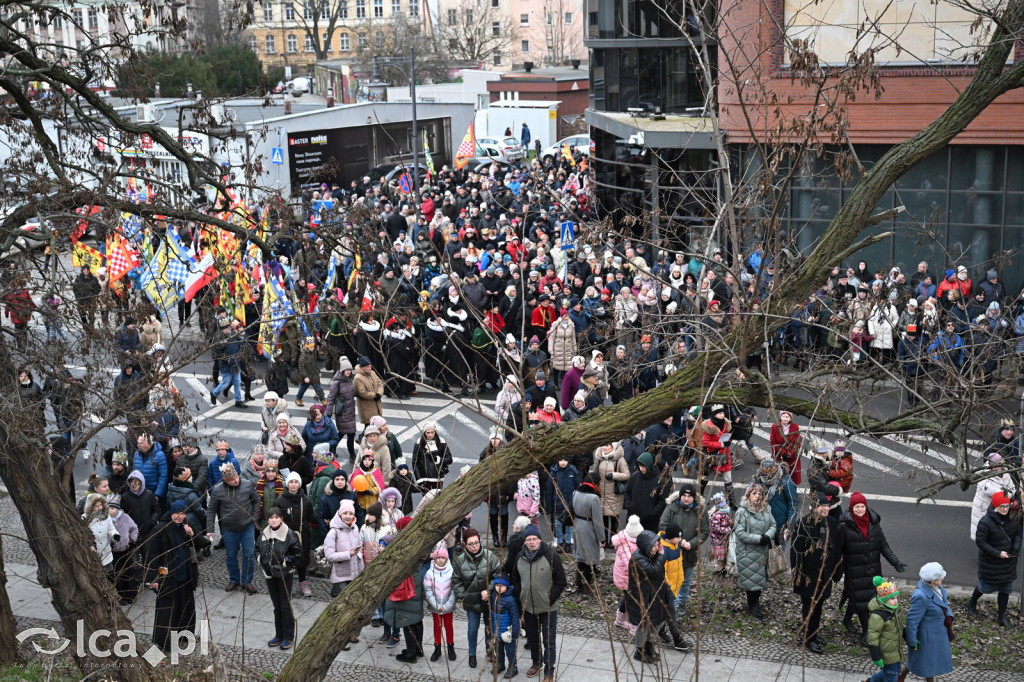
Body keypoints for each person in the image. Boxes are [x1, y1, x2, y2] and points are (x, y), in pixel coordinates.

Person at [838, 491, 907, 645]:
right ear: (851, 508)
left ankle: (847, 618)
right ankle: (866, 632)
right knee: (862, 602)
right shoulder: (844, 526)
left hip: (873, 570)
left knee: (865, 598)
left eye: (862, 506)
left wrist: (896, 563)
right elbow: (839, 550)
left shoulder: (874, 523)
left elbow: (883, 545)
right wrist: (837, 571)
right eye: (857, 507)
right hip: (855, 570)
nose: (860, 509)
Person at [150, 500, 210, 653]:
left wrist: (192, 534)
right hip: (167, 577)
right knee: (167, 611)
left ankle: (185, 636)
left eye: (182, 513)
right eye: (176, 513)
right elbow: (152, 555)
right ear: (170, 513)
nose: (179, 516)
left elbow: (203, 544)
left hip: (185, 576)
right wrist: (154, 579)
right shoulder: (160, 529)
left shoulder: (187, 526)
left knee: (186, 609)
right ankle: (164, 642)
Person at [510, 524, 566, 682]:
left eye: (534, 538)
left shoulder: (551, 556)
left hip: (548, 608)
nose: (532, 542)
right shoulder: (519, 557)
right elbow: (516, 579)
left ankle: (549, 671)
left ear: (540, 540)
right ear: (525, 542)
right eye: (529, 539)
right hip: (528, 607)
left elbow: (561, 581)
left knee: (549, 641)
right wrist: (521, 598)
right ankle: (537, 662)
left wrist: (549, 598)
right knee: (533, 638)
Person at [790, 492, 840, 654]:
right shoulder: (804, 524)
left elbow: (836, 549)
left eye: (827, 505)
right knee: (809, 608)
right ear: (814, 507)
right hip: (808, 576)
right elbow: (796, 551)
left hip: (824, 575)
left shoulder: (831, 522)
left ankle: (814, 633)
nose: (826, 508)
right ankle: (808, 638)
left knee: (818, 606)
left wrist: (836, 572)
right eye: (822, 505)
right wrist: (797, 574)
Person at [969, 490, 1021, 626]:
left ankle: (1001, 616)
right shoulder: (985, 522)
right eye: (1001, 507)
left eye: (1007, 506)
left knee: (1005, 590)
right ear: (995, 506)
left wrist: (1015, 549)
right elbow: (981, 543)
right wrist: (998, 553)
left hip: (1008, 563)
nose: (1005, 509)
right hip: (991, 563)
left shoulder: (1014, 518)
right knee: (983, 587)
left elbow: (1018, 535)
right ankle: (972, 602)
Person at [208, 463, 260, 594]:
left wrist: (253, 517)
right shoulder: (218, 490)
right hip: (228, 529)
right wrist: (210, 529)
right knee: (231, 556)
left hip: (247, 527)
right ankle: (234, 579)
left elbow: (256, 500)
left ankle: (247, 581)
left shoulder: (247, 484)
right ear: (226, 481)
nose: (236, 480)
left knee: (249, 555)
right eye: (232, 479)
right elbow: (211, 510)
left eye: (236, 477)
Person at [658, 480, 708, 615]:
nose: (686, 499)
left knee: (685, 581)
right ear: (680, 496)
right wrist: (678, 542)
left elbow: (704, 531)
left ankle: (682, 603)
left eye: (689, 496)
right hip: (672, 553)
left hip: (689, 553)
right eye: (684, 496)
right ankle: (671, 604)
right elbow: (663, 526)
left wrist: (690, 544)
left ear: (694, 497)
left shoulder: (700, 512)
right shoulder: (671, 509)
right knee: (671, 580)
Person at [452, 527, 500, 668]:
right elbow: (456, 581)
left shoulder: (489, 556)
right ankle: (472, 654)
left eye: (476, 542)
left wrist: (490, 590)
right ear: (465, 545)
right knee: (473, 628)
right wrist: (464, 596)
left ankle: (490, 652)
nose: (474, 546)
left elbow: (498, 576)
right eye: (471, 543)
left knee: (489, 627)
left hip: (488, 600)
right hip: (471, 601)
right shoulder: (460, 560)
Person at [256, 507, 303, 649]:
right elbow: (256, 549)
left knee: (285, 605)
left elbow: (299, 554)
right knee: (277, 606)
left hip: (284, 574)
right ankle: (279, 635)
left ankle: (288, 637)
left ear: (281, 518)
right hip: (269, 574)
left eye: (276, 517)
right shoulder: (263, 534)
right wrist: (261, 560)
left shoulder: (290, 535)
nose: (273, 520)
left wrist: (284, 562)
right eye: (271, 517)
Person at [626, 530, 675, 663]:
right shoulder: (638, 558)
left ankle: (650, 645)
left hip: (656, 595)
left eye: (657, 544)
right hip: (643, 598)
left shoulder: (652, 554)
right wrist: (661, 555)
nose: (657, 548)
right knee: (644, 625)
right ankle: (640, 651)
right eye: (654, 546)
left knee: (658, 622)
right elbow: (653, 571)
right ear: (646, 547)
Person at [904, 562, 954, 682]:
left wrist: (950, 617)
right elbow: (912, 621)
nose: (943, 578)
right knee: (929, 665)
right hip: (928, 638)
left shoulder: (937, 588)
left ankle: (901, 675)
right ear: (932, 581)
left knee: (919, 660)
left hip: (938, 634)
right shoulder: (920, 596)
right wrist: (912, 641)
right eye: (940, 577)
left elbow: (944, 604)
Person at [385, 517, 426, 663]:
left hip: (406, 586)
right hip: (416, 584)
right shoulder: (419, 540)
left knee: (407, 620)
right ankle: (419, 649)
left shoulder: (403, 544)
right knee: (416, 618)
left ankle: (410, 654)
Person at [733, 483, 776, 619]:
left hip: (762, 551)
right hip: (748, 552)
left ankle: (755, 602)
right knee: (751, 581)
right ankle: (753, 605)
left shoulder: (766, 509)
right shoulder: (742, 511)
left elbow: (773, 525)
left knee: (759, 580)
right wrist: (759, 539)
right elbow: (740, 533)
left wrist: (768, 535)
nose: (758, 496)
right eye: (754, 494)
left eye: (760, 494)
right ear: (748, 496)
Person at [277, 471, 315, 597]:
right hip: (286, 535)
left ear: (299, 484)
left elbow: (311, 516)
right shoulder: (280, 500)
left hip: (302, 535)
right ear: (287, 484)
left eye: (296, 482)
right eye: (291, 482)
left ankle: (302, 582)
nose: (293, 485)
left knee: (302, 559)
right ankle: (289, 584)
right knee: (287, 559)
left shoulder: (305, 499)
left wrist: (323, 520)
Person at [862, 576, 906, 682]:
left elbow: (900, 628)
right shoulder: (878, 616)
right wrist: (876, 657)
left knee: (888, 672)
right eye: (892, 598)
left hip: (894, 652)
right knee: (892, 674)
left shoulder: (893, 611)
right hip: (886, 655)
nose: (896, 601)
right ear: (884, 600)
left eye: (896, 598)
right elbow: (872, 637)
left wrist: (910, 639)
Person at [324, 499, 364, 598]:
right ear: (340, 514)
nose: (348, 516)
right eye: (345, 513)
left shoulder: (355, 528)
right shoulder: (333, 532)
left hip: (355, 573)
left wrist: (359, 552)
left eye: (351, 513)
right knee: (342, 601)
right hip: (341, 575)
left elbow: (359, 549)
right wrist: (348, 554)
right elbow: (329, 555)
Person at [970, 454, 1016, 541]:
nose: (1000, 467)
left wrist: (1006, 495)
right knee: (984, 537)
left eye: (1001, 464)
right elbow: (988, 489)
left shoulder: (1005, 473)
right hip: (984, 508)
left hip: (998, 509)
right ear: (992, 464)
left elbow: (1012, 488)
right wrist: (1005, 495)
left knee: (995, 537)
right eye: (998, 465)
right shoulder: (984, 473)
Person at [572, 471, 604, 594]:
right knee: (590, 559)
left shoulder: (575, 493)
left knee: (580, 556)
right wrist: (602, 538)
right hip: (589, 528)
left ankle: (578, 580)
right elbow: (597, 521)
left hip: (577, 525)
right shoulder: (594, 498)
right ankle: (587, 585)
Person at [424, 546, 457, 662]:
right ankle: (437, 648)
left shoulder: (452, 572)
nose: (441, 560)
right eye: (438, 558)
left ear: (447, 559)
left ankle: (450, 647)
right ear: (434, 559)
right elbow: (428, 591)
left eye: (443, 557)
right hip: (436, 607)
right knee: (437, 627)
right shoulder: (429, 573)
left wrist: (447, 606)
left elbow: (454, 590)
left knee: (449, 627)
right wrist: (436, 605)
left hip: (448, 606)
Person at [623, 451, 670, 531]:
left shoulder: (659, 480)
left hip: (650, 522)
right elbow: (627, 492)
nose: (641, 469)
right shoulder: (634, 476)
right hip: (633, 519)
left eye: (643, 466)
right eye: (639, 466)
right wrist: (629, 506)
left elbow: (662, 500)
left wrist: (652, 512)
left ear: (649, 465)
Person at [594, 442, 630, 542]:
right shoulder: (600, 458)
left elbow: (627, 475)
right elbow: (595, 473)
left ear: (612, 447)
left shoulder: (619, 459)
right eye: (603, 445)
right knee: (603, 518)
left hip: (614, 494)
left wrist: (613, 475)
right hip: (602, 493)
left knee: (614, 519)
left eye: (607, 445)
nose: (604, 447)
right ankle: (605, 540)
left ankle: (613, 540)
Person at [325, 356, 358, 463]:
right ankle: (352, 455)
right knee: (348, 433)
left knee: (346, 432)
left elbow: (353, 393)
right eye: (346, 370)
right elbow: (331, 398)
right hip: (343, 413)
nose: (348, 372)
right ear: (342, 370)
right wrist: (328, 412)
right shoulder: (337, 382)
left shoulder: (349, 380)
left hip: (351, 412)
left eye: (349, 370)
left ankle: (333, 448)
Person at [488, 573, 520, 679]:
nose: (499, 588)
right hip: (497, 630)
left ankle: (513, 667)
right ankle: (500, 664)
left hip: (507, 632)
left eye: (501, 586)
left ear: (506, 586)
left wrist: (514, 632)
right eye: (497, 586)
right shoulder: (493, 596)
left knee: (510, 651)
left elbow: (515, 616)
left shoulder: (510, 600)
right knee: (498, 650)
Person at [82, 493, 119, 575]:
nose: (100, 508)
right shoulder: (84, 519)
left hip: (106, 552)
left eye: (100, 505)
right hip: (93, 552)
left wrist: (115, 535)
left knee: (108, 575)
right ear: (91, 507)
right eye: (96, 506)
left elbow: (111, 528)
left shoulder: (106, 516)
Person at [412, 422, 452, 492]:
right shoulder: (418, 443)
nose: (430, 435)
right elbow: (415, 463)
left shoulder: (441, 442)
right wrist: (419, 480)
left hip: (438, 478)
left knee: (437, 500)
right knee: (427, 501)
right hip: (425, 480)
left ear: (435, 431)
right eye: (428, 433)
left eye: (432, 432)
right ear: (424, 433)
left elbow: (449, 459)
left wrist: (438, 459)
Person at [353, 356, 385, 435]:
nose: (369, 368)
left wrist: (379, 393)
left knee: (373, 427)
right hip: (366, 408)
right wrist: (374, 395)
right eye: (367, 366)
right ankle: (362, 439)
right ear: (362, 367)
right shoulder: (358, 378)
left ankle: (362, 438)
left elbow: (380, 383)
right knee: (369, 427)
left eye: (370, 366)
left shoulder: (373, 373)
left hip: (376, 405)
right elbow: (362, 393)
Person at [769, 410, 803, 484]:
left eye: (787, 417)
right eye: (783, 416)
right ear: (780, 417)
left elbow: (797, 443)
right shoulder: (775, 427)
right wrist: (783, 453)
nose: (785, 418)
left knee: (793, 477)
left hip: (792, 457)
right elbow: (773, 442)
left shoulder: (795, 427)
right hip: (780, 456)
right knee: (779, 477)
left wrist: (790, 454)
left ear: (790, 418)